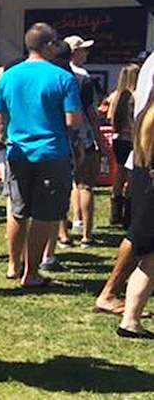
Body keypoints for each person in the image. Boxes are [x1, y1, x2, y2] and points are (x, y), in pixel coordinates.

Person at [0, 23, 82, 289]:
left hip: (18, 151)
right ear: (49, 45)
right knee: (44, 213)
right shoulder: (63, 77)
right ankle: (31, 272)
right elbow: (73, 121)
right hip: (52, 152)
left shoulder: (8, 76)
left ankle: (13, 265)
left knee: (17, 210)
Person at [116, 84, 154, 338]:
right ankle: (130, 320)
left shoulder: (145, 116)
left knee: (149, 261)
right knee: (150, 262)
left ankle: (130, 320)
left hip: (144, 190)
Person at [63, 35, 102, 248]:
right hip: (83, 136)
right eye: (83, 50)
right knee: (86, 184)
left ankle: (70, 228)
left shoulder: (56, 74)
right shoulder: (82, 77)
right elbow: (91, 113)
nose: (86, 53)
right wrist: (100, 141)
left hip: (63, 137)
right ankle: (87, 234)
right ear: (74, 52)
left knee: (71, 184)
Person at [108, 63, 140, 228]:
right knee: (131, 178)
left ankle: (115, 213)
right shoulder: (137, 96)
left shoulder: (115, 96)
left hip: (118, 139)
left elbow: (109, 117)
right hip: (132, 140)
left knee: (118, 176)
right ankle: (128, 215)